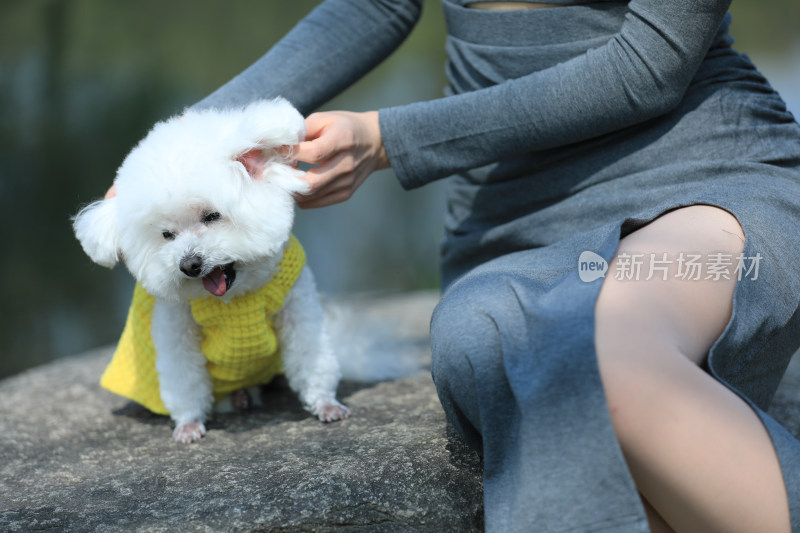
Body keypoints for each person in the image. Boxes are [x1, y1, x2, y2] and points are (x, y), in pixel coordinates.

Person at [179, 0, 800, 531]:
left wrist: (391, 138)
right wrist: (184, 144)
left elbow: (652, 64)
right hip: (507, 227)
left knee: (596, 359)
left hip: (698, 182)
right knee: (487, 339)